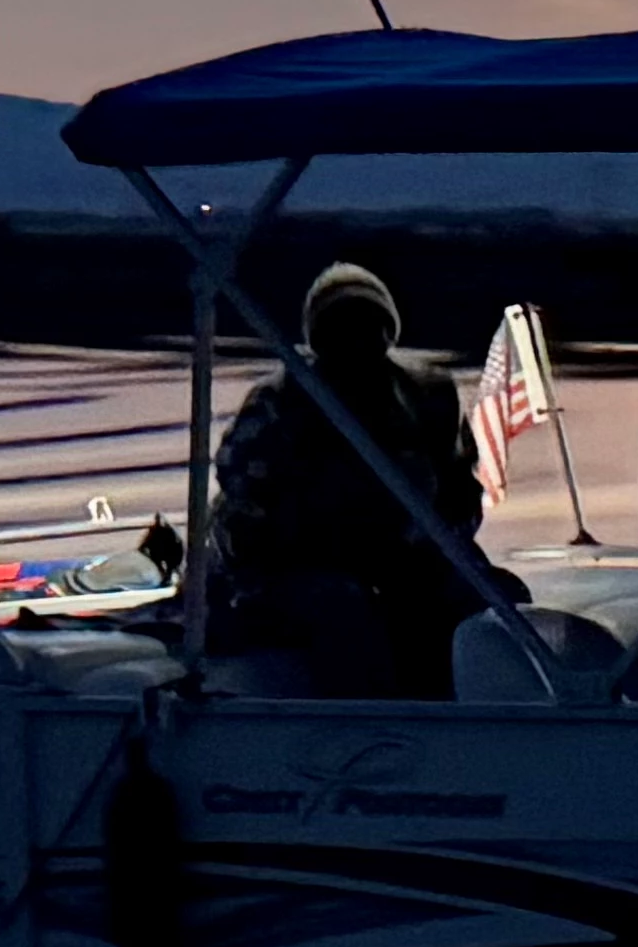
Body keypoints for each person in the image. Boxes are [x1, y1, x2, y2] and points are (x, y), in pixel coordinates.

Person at [200, 260, 494, 696]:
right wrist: (330, 541)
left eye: (369, 324)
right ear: (319, 338)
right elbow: (243, 519)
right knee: (344, 607)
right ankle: (372, 727)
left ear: (388, 330)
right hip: (286, 567)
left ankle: (476, 722)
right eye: (341, 326)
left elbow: (461, 493)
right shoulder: (279, 402)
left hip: (401, 556)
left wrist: (421, 548)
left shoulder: (428, 396)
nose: (357, 338)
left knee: (485, 596)